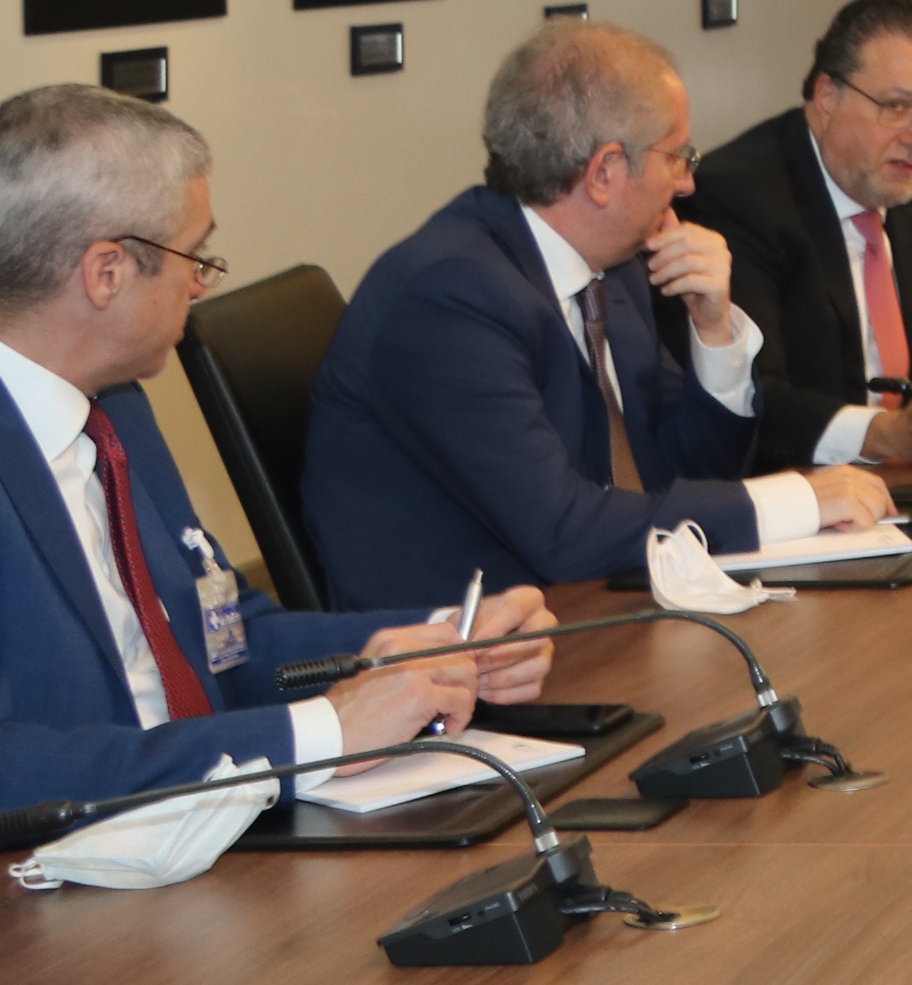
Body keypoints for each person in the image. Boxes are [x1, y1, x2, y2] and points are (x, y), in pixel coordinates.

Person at [0, 85, 557, 807]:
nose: (200, 284)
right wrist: (324, 735)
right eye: (193, 255)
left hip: (210, 819)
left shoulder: (116, 405)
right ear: (106, 273)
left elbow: (223, 641)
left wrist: (438, 639)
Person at [305, 25, 896, 606]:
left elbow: (686, 474)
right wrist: (797, 499)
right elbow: (564, 531)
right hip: (468, 642)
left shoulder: (612, 270)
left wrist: (714, 331)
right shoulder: (450, 300)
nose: (688, 183)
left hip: (597, 598)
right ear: (605, 173)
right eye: (678, 156)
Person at [685, 0, 912, 471]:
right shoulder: (740, 199)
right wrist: (887, 434)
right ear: (826, 96)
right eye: (896, 106)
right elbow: (752, 398)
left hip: (906, 484)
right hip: (801, 489)